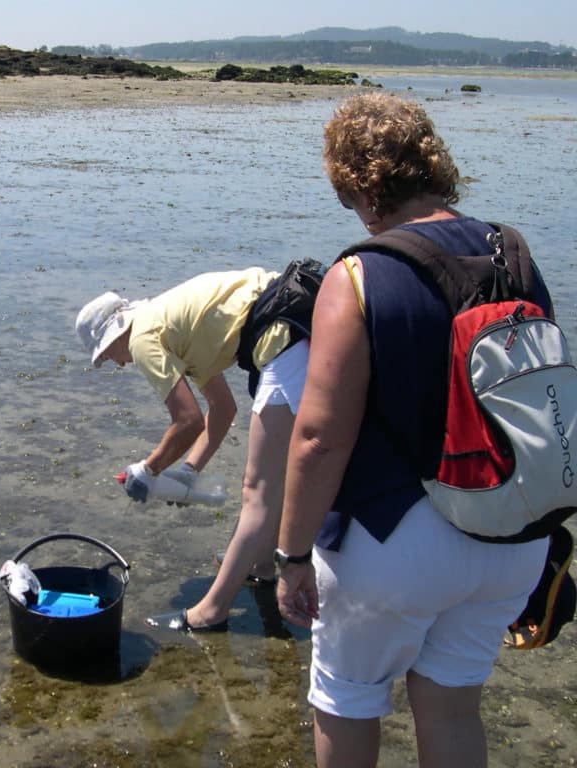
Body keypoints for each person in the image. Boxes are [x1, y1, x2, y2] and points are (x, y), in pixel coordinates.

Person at [275, 92, 552, 767]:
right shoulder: (510, 251)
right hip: (511, 535)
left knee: (347, 695)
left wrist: (288, 557)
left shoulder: (359, 274)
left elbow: (319, 436)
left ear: (361, 190)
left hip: (394, 542)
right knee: (454, 707)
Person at [75, 267, 312, 632]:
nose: (116, 364)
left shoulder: (142, 339)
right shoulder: (172, 328)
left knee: (257, 488)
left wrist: (147, 469)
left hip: (282, 331)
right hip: (293, 319)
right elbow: (221, 409)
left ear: (115, 335)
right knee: (273, 474)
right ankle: (262, 565)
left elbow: (187, 422)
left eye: (107, 355)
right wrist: (188, 472)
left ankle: (211, 611)